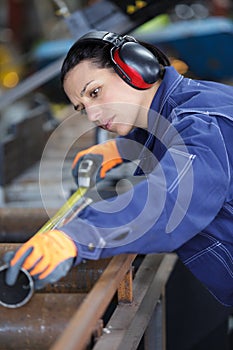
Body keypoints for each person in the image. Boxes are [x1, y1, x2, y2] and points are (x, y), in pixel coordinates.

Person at [4, 31, 233, 306]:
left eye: (95, 92)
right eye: (82, 107)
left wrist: (76, 237)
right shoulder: (192, 99)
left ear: (136, 69)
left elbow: (171, 200)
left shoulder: (203, 124)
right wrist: (124, 148)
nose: (92, 115)